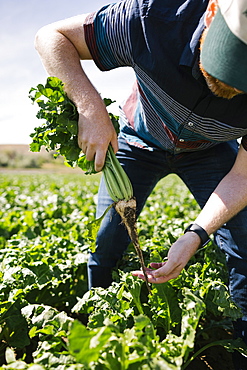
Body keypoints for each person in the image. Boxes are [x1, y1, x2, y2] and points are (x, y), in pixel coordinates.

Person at [35, 0, 247, 368]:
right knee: (107, 240)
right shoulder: (152, 18)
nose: (229, 85)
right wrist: (89, 108)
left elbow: (243, 177)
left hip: (212, 151)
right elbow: (51, 36)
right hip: (140, 140)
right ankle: (96, 331)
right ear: (211, 14)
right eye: (227, 62)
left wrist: (195, 235)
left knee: (243, 245)